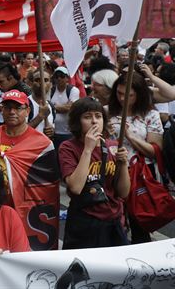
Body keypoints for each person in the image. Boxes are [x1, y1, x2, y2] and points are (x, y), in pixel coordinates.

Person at [0, 90, 59, 251]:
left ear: (28, 111)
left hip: (31, 212)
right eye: (8, 107)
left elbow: (48, 188)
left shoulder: (42, 144)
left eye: (18, 108)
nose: (12, 112)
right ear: (2, 110)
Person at [59, 98, 130, 249]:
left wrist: (123, 165)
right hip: (85, 221)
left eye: (98, 116)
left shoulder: (113, 146)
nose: (94, 121)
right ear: (77, 122)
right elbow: (76, 187)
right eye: (87, 117)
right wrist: (88, 149)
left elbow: (123, 192)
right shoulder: (68, 147)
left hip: (113, 220)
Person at [108, 72, 163, 244]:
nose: (123, 98)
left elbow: (154, 150)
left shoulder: (150, 115)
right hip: (112, 171)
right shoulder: (107, 112)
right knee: (114, 221)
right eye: (119, 93)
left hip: (139, 173)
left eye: (128, 95)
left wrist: (130, 136)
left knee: (138, 224)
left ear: (138, 94)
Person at [50, 67, 80, 150]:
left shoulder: (73, 90)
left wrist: (53, 106)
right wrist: (61, 107)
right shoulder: (51, 90)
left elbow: (70, 107)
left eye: (62, 76)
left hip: (69, 132)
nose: (59, 78)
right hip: (54, 132)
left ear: (67, 78)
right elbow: (47, 107)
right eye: (56, 76)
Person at [26, 69, 55, 140]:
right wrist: (40, 116)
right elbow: (19, 131)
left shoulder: (50, 105)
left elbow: (52, 126)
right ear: (31, 84)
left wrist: (51, 130)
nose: (42, 83)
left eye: (45, 80)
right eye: (37, 80)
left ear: (50, 85)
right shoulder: (25, 104)